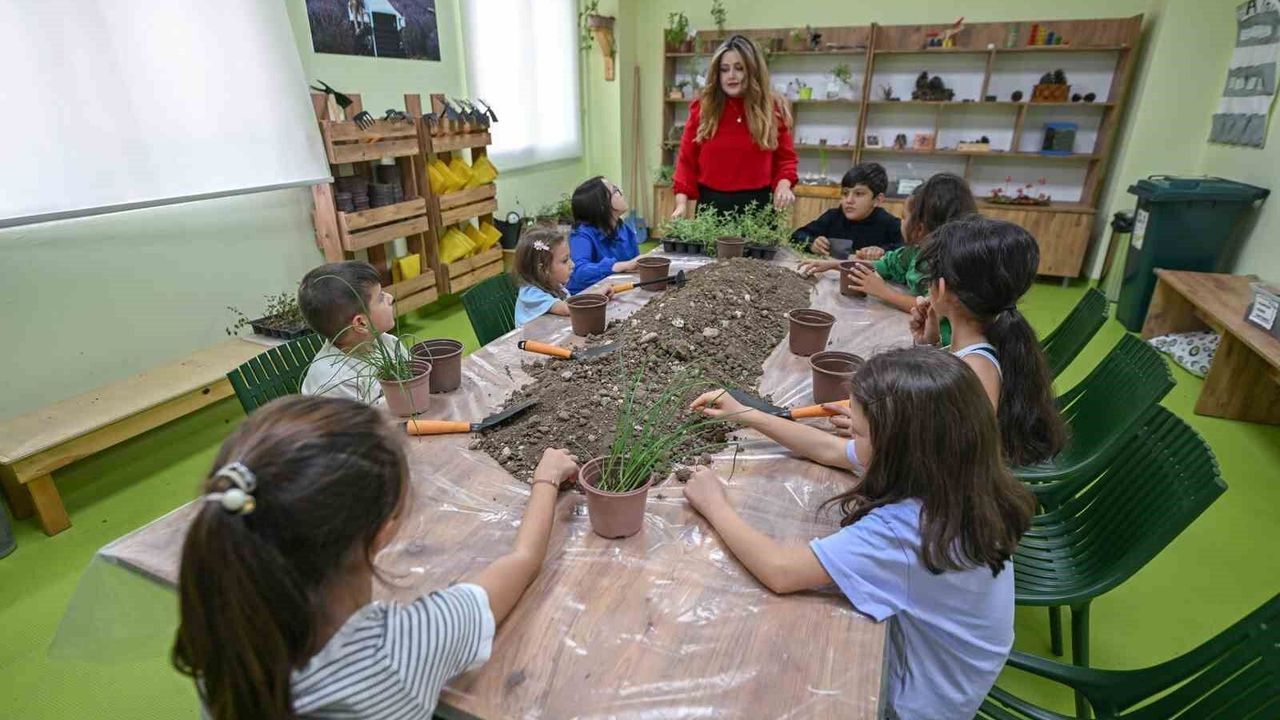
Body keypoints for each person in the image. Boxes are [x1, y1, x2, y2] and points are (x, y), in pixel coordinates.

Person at [172, 395, 581, 719]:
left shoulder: (224, 630)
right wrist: (546, 478)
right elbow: (523, 561)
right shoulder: (399, 650)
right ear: (383, 532)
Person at [685, 348, 1036, 719]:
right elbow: (829, 449)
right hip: (951, 677)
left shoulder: (908, 530)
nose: (851, 433)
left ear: (897, 447)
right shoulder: (959, 475)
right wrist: (748, 415)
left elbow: (780, 570)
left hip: (914, 705)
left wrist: (714, 504)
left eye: (860, 431)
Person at [911, 216, 1066, 467]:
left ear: (941, 287)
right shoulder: (983, 345)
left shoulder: (976, 369)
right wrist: (929, 345)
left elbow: (951, 456)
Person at [800, 173, 977, 314]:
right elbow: (885, 265)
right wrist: (835, 265)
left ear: (920, 228)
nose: (849, 200)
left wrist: (883, 292)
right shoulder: (914, 252)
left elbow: (933, 309)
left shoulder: (950, 267)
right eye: (845, 193)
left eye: (904, 217)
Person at [671, 35, 797, 219]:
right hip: (711, 208)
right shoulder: (703, 109)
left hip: (758, 209)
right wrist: (681, 205)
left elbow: (786, 160)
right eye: (724, 69)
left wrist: (783, 186)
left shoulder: (772, 109)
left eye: (739, 68)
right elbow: (686, 162)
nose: (731, 75)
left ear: (753, 71)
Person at [298, 260, 405, 405]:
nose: (390, 298)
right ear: (361, 323)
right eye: (380, 298)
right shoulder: (335, 382)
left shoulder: (387, 342)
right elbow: (356, 421)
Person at [790, 163, 902, 260]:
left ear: (877, 200)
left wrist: (883, 251)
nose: (849, 200)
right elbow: (796, 236)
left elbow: (907, 249)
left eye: (858, 194)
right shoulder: (833, 217)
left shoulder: (889, 223)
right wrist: (812, 243)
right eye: (845, 193)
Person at [514, 228, 608, 327]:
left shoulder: (556, 286)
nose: (572, 265)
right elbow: (570, 308)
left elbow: (574, 303)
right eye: (565, 260)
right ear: (543, 269)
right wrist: (597, 297)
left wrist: (596, 295)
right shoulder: (530, 294)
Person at [566, 176, 640, 294]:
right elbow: (580, 272)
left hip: (617, 290)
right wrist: (621, 266)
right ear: (602, 205)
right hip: (588, 298)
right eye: (615, 191)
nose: (621, 193)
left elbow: (635, 266)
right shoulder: (581, 234)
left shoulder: (624, 228)